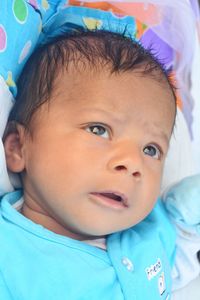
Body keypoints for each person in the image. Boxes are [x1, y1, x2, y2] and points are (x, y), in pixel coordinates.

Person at [0, 28, 195, 299]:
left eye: (151, 149)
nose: (132, 162)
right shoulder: (9, 257)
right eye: (98, 130)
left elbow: (173, 264)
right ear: (18, 147)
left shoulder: (148, 230)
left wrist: (187, 213)